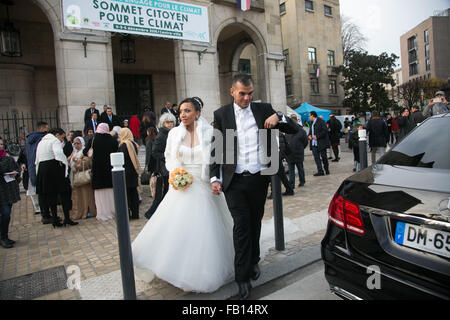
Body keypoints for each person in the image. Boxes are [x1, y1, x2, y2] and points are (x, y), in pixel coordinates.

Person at [132, 97, 235, 293]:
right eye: (181, 111)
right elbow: (169, 157)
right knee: (176, 228)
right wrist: (177, 173)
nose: (183, 115)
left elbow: (217, 160)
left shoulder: (211, 133)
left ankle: (197, 273)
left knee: (203, 230)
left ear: (197, 113)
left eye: (187, 111)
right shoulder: (173, 134)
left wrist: (216, 180)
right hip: (181, 184)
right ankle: (175, 269)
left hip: (204, 184)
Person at [210, 74, 298, 300]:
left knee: (255, 222)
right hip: (234, 181)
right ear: (232, 92)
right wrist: (215, 177)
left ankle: (254, 260)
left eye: (250, 94)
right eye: (242, 94)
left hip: (260, 178)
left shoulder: (263, 109)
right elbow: (216, 150)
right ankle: (243, 278)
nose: (247, 98)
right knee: (241, 227)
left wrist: (278, 118)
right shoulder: (222, 115)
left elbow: (294, 130)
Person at [35, 128, 78, 228]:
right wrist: (65, 165)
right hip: (54, 168)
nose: (61, 141)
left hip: (43, 169)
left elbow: (37, 159)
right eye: (62, 138)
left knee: (51, 196)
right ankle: (67, 218)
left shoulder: (41, 142)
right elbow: (58, 153)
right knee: (64, 193)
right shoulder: (54, 141)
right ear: (57, 135)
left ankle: (55, 219)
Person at [143, 112, 176, 219]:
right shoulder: (162, 135)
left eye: (171, 122)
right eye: (167, 122)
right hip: (163, 169)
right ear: (163, 123)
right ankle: (151, 213)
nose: (170, 124)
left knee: (164, 193)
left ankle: (157, 213)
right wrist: (168, 157)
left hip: (168, 168)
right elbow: (155, 152)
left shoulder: (171, 133)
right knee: (162, 194)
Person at [91, 123, 119, 221]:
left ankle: (102, 213)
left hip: (98, 171)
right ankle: (113, 211)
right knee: (111, 193)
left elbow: (87, 151)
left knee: (100, 195)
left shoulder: (94, 140)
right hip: (110, 170)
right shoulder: (112, 140)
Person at [25, 121, 50, 223]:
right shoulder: (42, 138)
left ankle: (44, 214)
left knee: (40, 193)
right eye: (47, 128)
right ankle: (46, 215)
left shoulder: (29, 139)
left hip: (32, 168)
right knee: (45, 193)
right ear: (42, 129)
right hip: (41, 167)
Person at [68, 137, 97, 220]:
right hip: (75, 176)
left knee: (86, 195)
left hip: (83, 177)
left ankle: (88, 211)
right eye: (75, 143)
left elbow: (88, 163)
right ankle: (80, 211)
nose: (76, 145)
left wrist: (77, 161)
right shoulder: (74, 152)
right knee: (77, 196)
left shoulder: (84, 152)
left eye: (78, 143)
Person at [0, 137, 21, 248]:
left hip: (8, 190)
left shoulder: (7, 157)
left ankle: (4, 236)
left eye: (2, 144)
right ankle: (2, 237)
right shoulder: (6, 159)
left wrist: (16, 173)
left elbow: (16, 168)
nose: (1, 146)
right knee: (5, 213)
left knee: (7, 214)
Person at [118, 128, 141, 220]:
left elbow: (121, 158)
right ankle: (135, 213)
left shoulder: (124, 145)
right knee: (133, 193)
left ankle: (127, 214)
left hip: (126, 172)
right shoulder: (133, 144)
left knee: (127, 194)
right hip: (133, 172)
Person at [267, 132, 294, 198]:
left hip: (274, 157)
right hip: (277, 157)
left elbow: (281, 146)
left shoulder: (272, 134)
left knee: (273, 176)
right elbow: (285, 145)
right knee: (282, 175)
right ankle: (289, 190)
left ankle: (274, 193)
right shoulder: (279, 133)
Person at [286, 115, 308, 188]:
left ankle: (302, 181)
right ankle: (291, 184)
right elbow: (286, 141)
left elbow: (305, 142)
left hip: (298, 152)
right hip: (290, 153)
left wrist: (301, 148)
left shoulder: (301, 131)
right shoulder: (288, 130)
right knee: (291, 170)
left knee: (300, 168)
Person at [308, 111, 330, 176]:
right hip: (314, 143)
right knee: (316, 158)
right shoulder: (311, 123)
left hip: (321, 143)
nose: (309, 117)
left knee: (324, 157)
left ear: (312, 116)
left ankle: (326, 169)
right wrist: (309, 135)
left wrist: (317, 136)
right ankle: (320, 171)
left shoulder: (321, 121)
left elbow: (325, 131)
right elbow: (311, 131)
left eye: (309, 116)